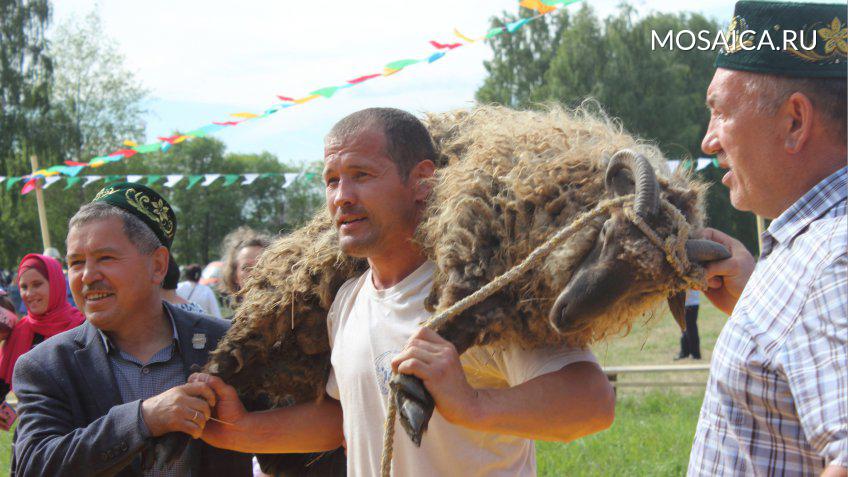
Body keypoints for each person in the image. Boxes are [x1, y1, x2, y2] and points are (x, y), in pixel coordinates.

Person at [192, 108, 615, 476]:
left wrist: (471, 404)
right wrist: (239, 430)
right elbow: (348, 420)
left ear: (422, 182)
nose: (342, 197)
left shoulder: (476, 298)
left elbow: (593, 402)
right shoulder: (347, 301)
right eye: (332, 180)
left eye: (361, 175)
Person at [688, 2, 847, 476]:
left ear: (794, 122)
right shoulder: (816, 246)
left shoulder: (834, 260)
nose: (708, 141)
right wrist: (757, 297)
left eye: (720, 113)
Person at [11, 182, 251, 476]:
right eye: (75, 263)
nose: (87, 276)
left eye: (105, 258)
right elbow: (34, 466)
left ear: (158, 266)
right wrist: (143, 419)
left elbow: (289, 449)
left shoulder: (226, 342)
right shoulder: (46, 365)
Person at [0, 254, 85, 403]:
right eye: (24, 287)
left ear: (55, 283)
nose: (29, 294)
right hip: (34, 423)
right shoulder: (19, 331)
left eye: (37, 284)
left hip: (82, 422)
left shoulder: (82, 327)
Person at [220, 227, 271, 305]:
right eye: (247, 268)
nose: (255, 273)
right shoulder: (227, 318)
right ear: (235, 276)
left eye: (261, 266)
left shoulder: (290, 315)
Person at [674, 290, 700, 360]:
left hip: (690, 305)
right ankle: (685, 352)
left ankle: (695, 354)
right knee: (684, 330)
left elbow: (687, 292)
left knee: (690, 329)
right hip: (686, 304)